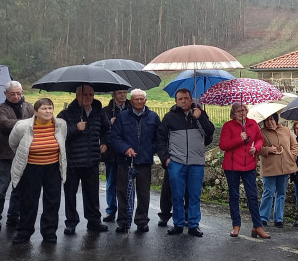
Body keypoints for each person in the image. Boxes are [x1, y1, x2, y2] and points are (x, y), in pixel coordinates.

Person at [156, 89, 214, 237]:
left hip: (196, 163)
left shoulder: (200, 114)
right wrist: (166, 160)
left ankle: (194, 225)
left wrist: (200, 118)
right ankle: (178, 224)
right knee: (176, 195)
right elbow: (161, 139)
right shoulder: (169, 117)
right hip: (176, 162)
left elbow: (209, 135)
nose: (183, 101)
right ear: (176, 101)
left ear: (190, 99)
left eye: (186, 98)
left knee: (194, 196)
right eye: (180, 99)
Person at [8, 98, 67, 244]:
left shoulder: (61, 124)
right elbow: (13, 144)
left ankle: (49, 232)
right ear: (35, 111)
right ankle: (24, 232)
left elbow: (62, 142)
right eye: (44, 109)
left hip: (53, 167)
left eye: (50, 108)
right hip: (31, 168)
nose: (48, 111)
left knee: (52, 201)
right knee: (28, 201)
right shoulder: (22, 126)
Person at [57, 85, 110, 235]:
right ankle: (71, 222)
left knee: (92, 194)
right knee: (70, 193)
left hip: (92, 160)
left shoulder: (98, 112)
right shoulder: (66, 114)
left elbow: (107, 129)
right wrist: (75, 128)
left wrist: (105, 142)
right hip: (72, 160)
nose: (88, 97)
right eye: (85, 95)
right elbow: (59, 134)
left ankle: (94, 221)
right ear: (77, 96)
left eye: (91, 95)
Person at [109, 89, 159, 233]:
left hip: (144, 162)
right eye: (136, 99)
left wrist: (150, 149)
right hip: (125, 161)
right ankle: (123, 221)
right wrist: (125, 149)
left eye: (141, 99)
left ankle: (142, 220)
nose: (139, 101)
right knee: (123, 192)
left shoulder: (153, 117)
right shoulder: (122, 117)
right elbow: (115, 137)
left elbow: (159, 138)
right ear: (130, 101)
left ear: (145, 100)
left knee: (144, 193)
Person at [0, 81, 34, 231]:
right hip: (5, 154)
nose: (16, 96)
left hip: (24, 153)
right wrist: (28, 123)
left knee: (19, 188)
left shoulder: (29, 107)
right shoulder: (1, 108)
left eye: (18, 93)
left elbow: (38, 123)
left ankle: (13, 217)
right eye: (12, 93)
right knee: (0, 189)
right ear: (5, 93)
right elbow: (4, 124)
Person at [219, 102, 268, 239]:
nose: (242, 113)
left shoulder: (253, 124)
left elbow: (259, 139)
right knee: (234, 196)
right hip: (232, 167)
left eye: (244, 110)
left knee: (252, 196)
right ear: (233, 113)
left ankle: (257, 226)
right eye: (239, 111)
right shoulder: (228, 126)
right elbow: (223, 145)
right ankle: (236, 225)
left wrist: (256, 149)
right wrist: (239, 139)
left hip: (249, 166)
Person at [258, 113, 298, 229]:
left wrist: (292, 157)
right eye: (267, 120)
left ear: (276, 120)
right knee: (268, 192)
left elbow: (294, 145)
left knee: (281, 194)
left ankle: (278, 219)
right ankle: (263, 218)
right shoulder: (262, 132)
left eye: (272, 119)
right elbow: (257, 149)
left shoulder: (285, 130)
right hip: (270, 167)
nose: (270, 122)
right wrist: (267, 149)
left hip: (284, 167)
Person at [101, 89, 130, 223]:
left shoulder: (131, 109)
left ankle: (125, 212)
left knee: (126, 184)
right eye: (119, 93)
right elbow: (102, 130)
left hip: (126, 151)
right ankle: (111, 210)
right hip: (112, 152)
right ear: (113, 95)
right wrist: (109, 123)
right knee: (111, 182)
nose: (123, 95)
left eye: (125, 92)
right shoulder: (106, 111)